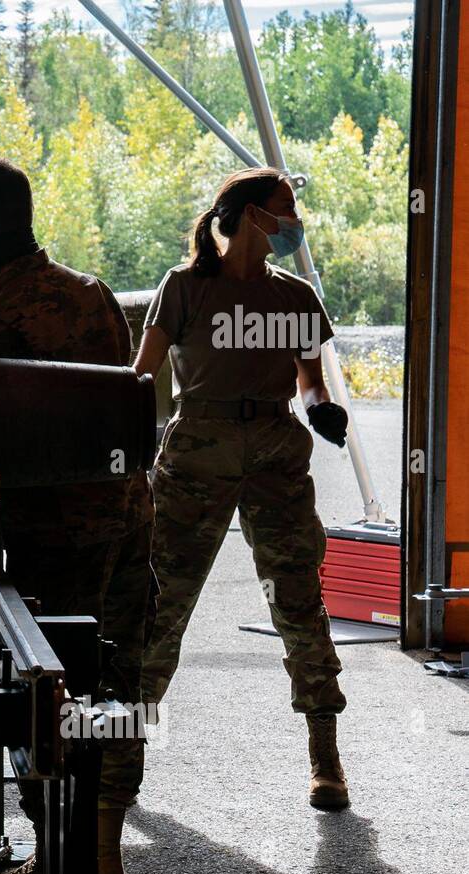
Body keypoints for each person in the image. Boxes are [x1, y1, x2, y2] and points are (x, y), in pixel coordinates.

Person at [0, 159, 155, 874]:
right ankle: (101, 858)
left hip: (56, 532)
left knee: (48, 687)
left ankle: (58, 862)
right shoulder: (91, 291)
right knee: (116, 680)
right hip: (129, 516)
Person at [133, 166, 350, 815]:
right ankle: (123, 753)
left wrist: (320, 406)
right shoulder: (185, 288)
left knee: (298, 599)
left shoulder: (296, 297)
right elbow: (142, 376)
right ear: (249, 214)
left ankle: (325, 756)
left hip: (276, 450)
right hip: (199, 449)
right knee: (159, 605)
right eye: (283, 210)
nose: (292, 223)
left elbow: (310, 378)